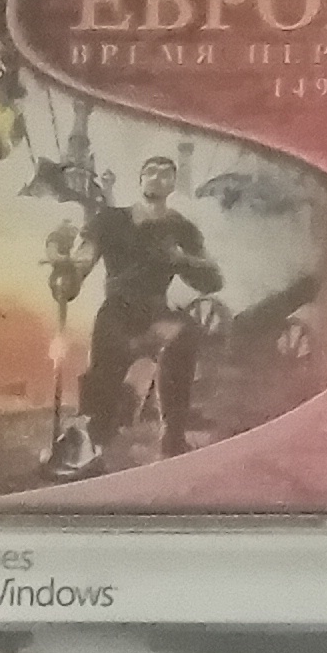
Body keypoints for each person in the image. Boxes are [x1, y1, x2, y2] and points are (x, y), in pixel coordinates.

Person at [49, 154, 223, 471]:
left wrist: (182, 259)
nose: (156, 178)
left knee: (184, 333)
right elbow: (84, 260)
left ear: (173, 184)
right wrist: (68, 275)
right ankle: (90, 442)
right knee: (104, 380)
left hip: (156, 311)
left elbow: (212, 280)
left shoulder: (181, 228)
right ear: (140, 179)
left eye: (165, 174)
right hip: (118, 309)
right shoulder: (110, 219)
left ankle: (173, 436)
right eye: (150, 172)